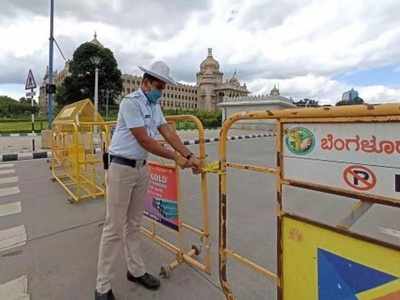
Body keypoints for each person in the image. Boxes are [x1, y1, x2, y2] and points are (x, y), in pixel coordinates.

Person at [95, 61, 202, 300]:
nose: (160, 91)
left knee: (133, 224)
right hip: (121, 168)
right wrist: (176, 157)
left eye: (163, 87)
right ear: (145, 82)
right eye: (158, 86)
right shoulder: (130, 103)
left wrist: (189, 155)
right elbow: (145, 140)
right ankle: (102, 286)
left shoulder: (155, 105)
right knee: (113, 228)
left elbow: (168, 132)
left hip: (141, 169)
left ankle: (135, 270)